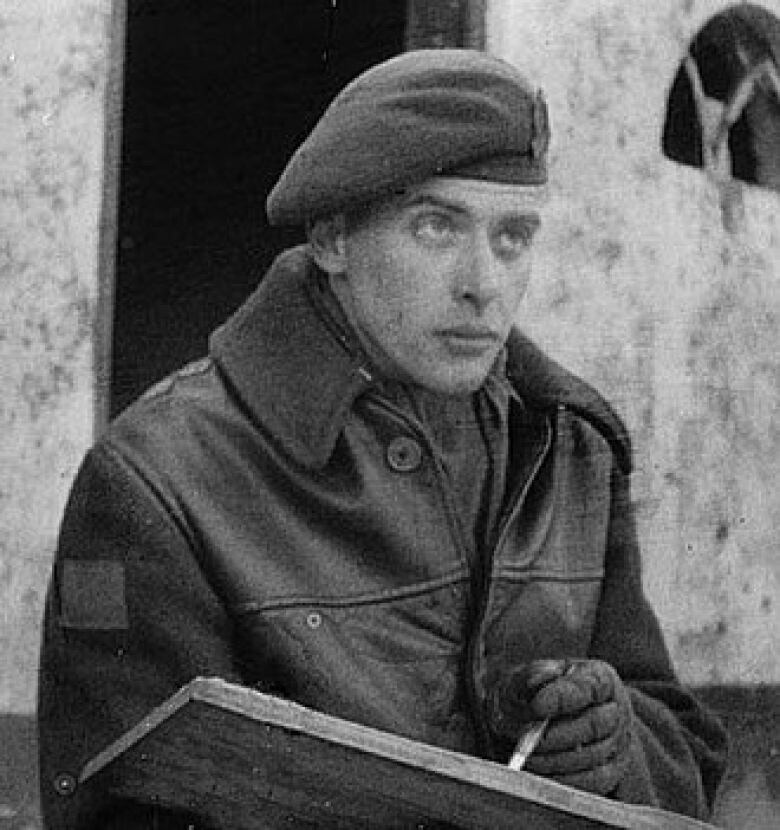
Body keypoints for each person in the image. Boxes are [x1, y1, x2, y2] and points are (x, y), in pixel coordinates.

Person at [38, 48, 727, 829]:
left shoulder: (570, 446)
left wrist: (615, 744)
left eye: (514, 236)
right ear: (333, 238)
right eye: (436, 226)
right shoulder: (159, 478)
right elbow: (126, 811)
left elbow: (687, 758)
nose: (484, 282)